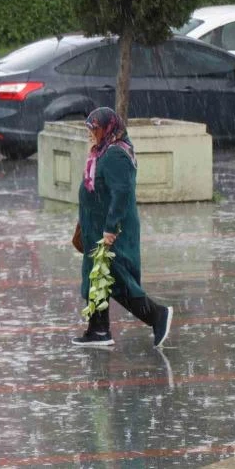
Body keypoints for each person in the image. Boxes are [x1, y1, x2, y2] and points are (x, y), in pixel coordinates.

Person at [72, 107, 173, 347]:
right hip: (94, 229)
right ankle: (98, 330)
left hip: (111, 231)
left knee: (118, 281)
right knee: (95, 278)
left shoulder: (116, 154)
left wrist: (110, 228)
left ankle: (158, 315)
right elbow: (94, 190)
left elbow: (122, 194)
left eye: (93, 128)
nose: (90, 134)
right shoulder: (101, 152)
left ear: (107, 128)